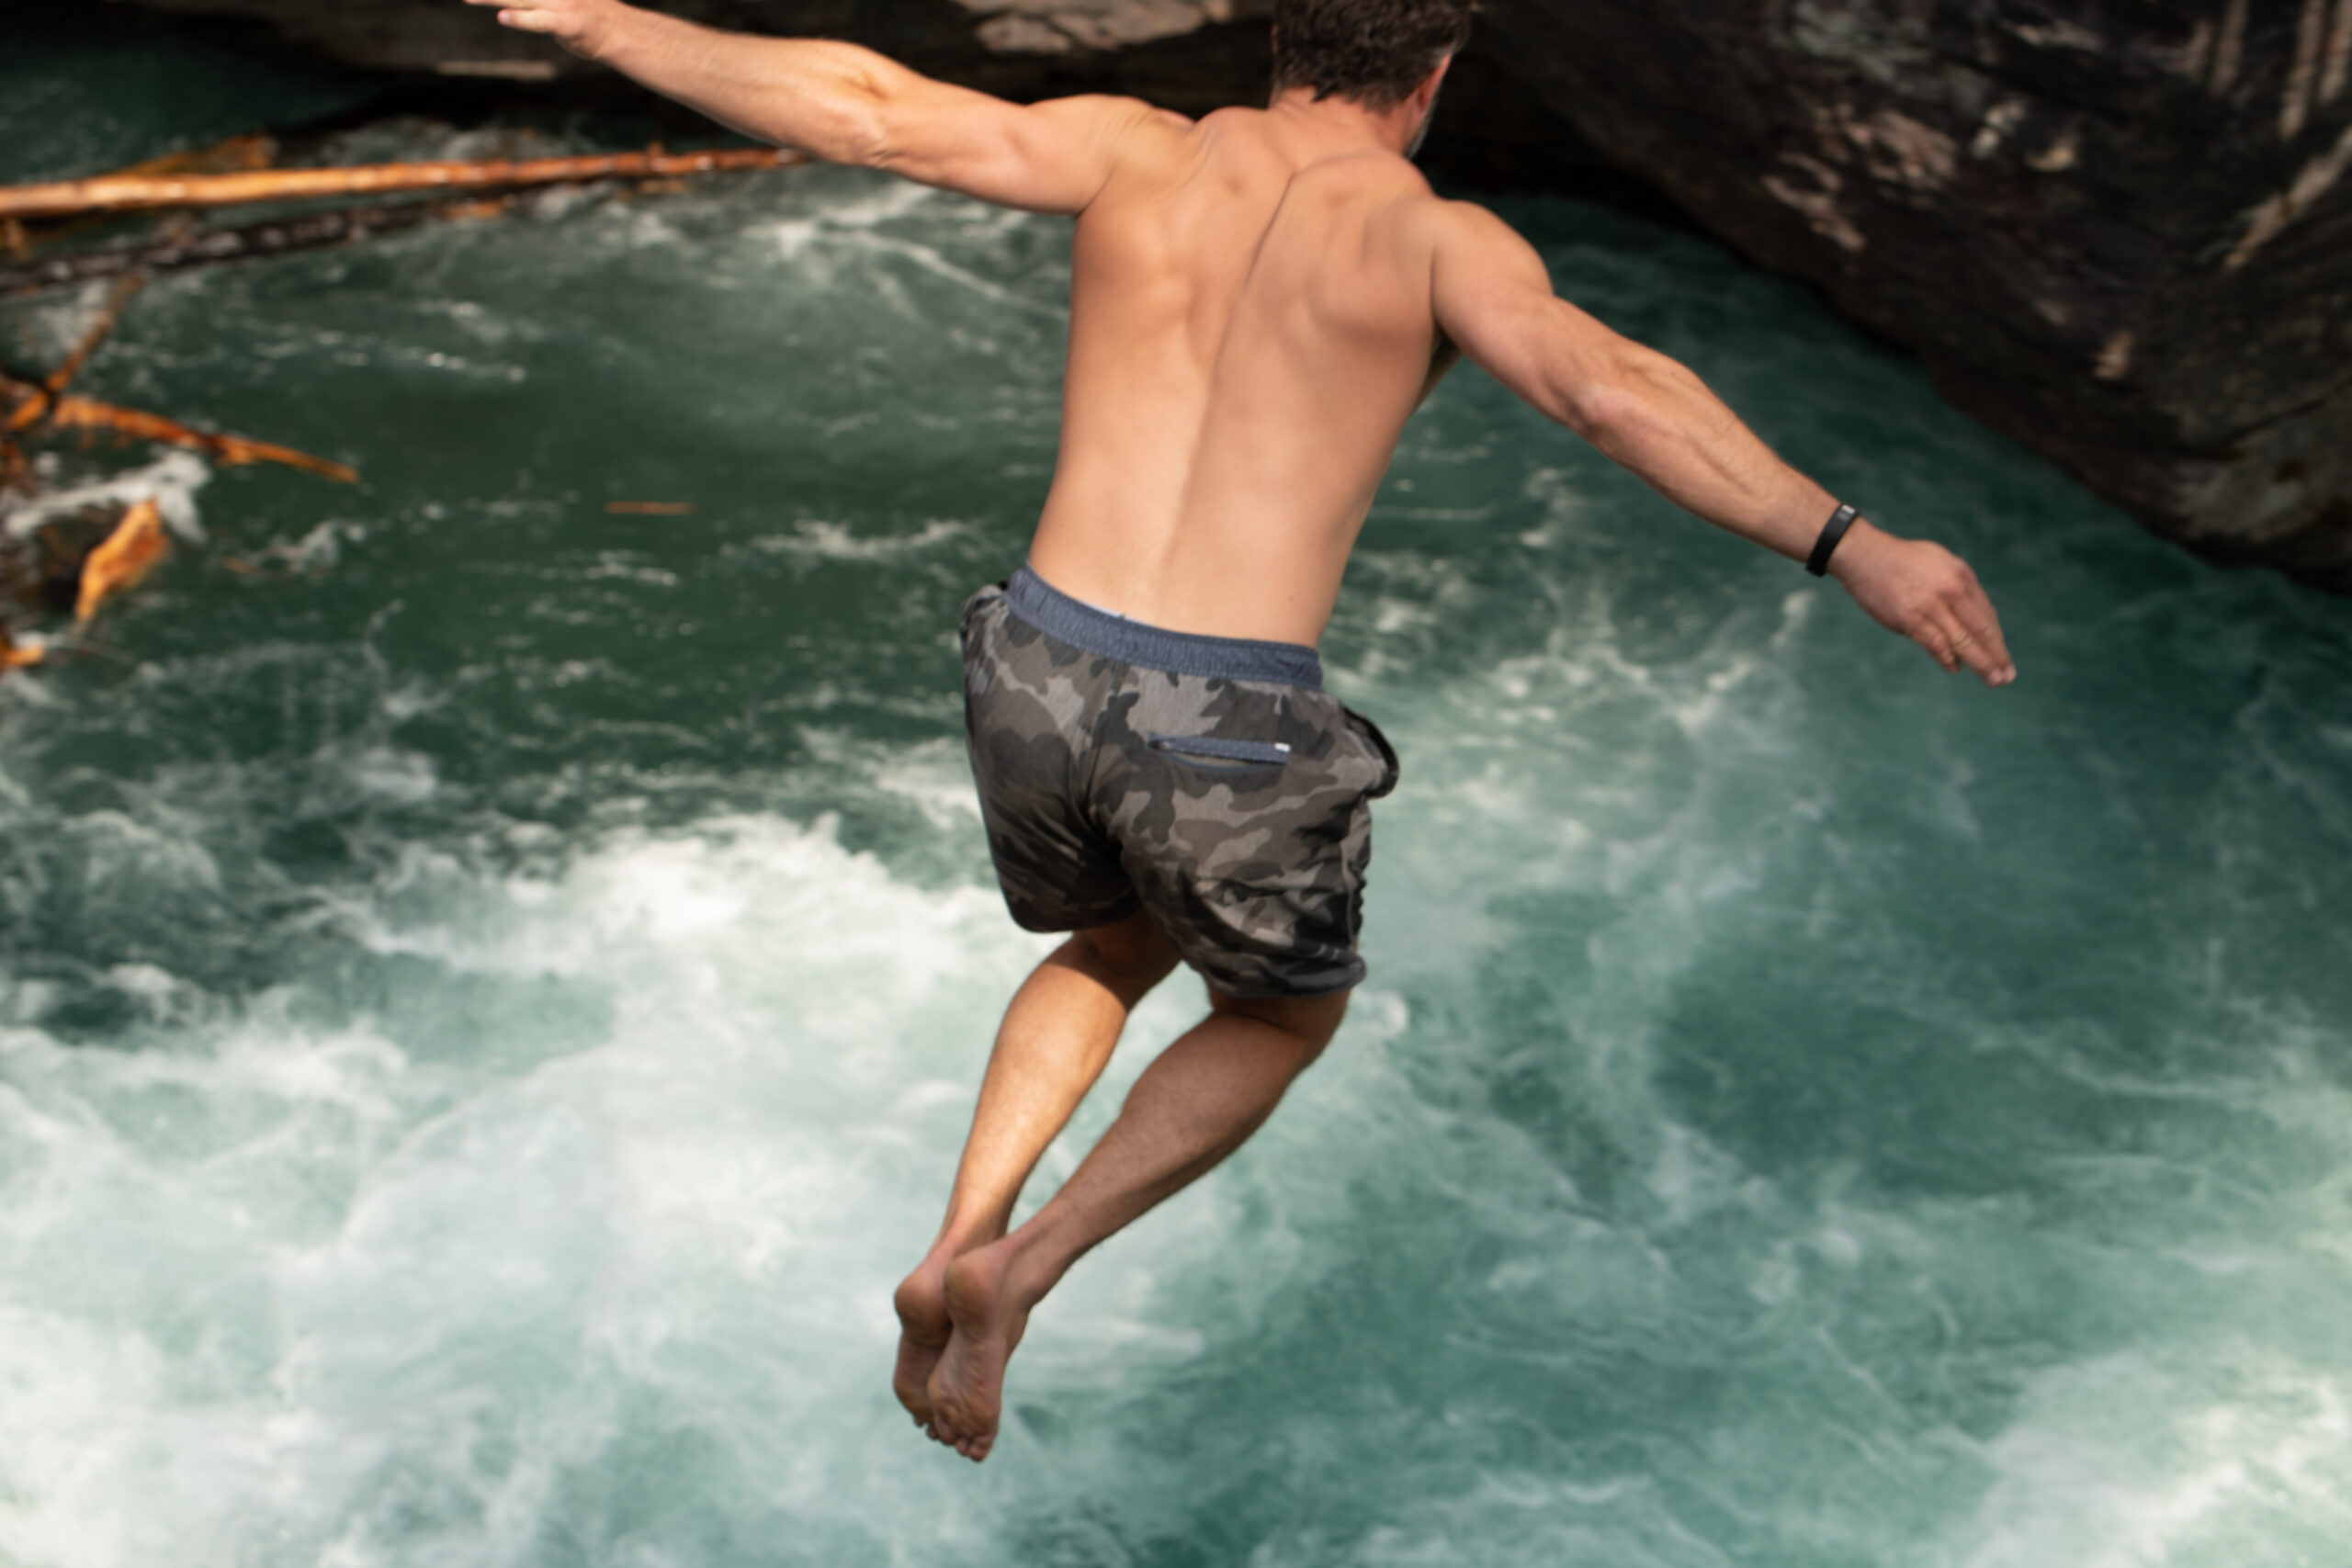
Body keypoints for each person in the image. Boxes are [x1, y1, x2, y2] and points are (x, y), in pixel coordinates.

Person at [474, 0, 2018, 1462]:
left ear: (1285, 44)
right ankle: (1019, 1270)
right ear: (1431, 82)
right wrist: (1849, 543)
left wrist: (614, 23)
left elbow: (871, 109)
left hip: (1034, 657)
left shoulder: (1135, 146)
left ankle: (953, 1238)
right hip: (1219, 717)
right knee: (1282, 1014)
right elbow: (1608, 391)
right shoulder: (1436, 238)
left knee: (1111, 942)